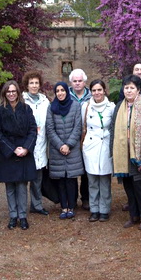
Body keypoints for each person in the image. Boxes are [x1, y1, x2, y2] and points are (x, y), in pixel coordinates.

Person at [110, 75, 141, 230]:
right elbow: (113, 129)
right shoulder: (119, 106)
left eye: (132, 88)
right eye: (126, 87)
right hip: (123, 153)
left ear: (138, 90)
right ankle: (134, 215)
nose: (129, 90)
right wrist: (113, 150)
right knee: (129, 187)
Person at [0, 81, 38, 230]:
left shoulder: (26, 108)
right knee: (10, 185)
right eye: (8, 91)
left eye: (13, 91)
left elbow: (32, 130)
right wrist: (12, 149)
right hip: (7, 152)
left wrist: (26, 148)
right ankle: (13, 215)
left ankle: (22, 216)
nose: (11, 94)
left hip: (23, 151)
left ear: (18, 92)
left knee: (22, 185)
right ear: (4, 93)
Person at [46, 81, 84, 219]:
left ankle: (72, 206)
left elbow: (78, 127)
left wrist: (68, 144)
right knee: (61, 180)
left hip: (72, 149)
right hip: (57, 150)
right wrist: (60, 145)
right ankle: (64, 207)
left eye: (62, 90)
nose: (60, 93)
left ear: (67, 92)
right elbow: (50, 128)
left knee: (71, 179)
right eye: (57, 91)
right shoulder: (51, 107)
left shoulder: (75, 106)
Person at [82, 79, 115, 222]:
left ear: (104, 91)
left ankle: (104, 209)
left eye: (99, 90)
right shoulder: (86, 107)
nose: (97, 93)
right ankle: (94, 209)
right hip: (91, 146)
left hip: (105, 145)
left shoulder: (111, 107)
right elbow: (82, 125)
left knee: (105, 180)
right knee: (92, 180)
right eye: (94, 90)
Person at [22, 70, 50, 216]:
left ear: (40, 85)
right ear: (27, 85)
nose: (34, 85)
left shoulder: (45, 101)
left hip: (41, 142)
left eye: (36, 83)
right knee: (23, 177)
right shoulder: (22, 101)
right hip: (26, 142)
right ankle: (21, 207)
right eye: (31, 83)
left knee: (38, 177)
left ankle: (37, 205)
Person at [68, 68, 91, 210]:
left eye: (80, 81)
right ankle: (72, 199)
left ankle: (86, 198)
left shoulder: (92, 95)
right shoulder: (65, 96)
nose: (77, 83)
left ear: (84, 82)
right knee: (72, 169)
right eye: (74, 81)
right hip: (71, 137)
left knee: (87, 169)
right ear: (71, 82)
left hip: (88, 137)